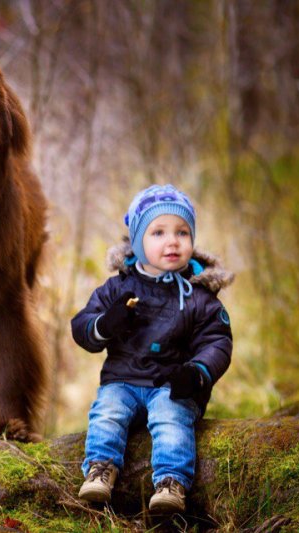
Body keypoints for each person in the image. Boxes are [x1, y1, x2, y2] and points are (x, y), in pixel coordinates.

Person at [70, 184, 234, 513]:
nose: (173, 241)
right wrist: (106, 323)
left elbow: (217, 340)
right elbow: (82, 326)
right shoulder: (118, 287)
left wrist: (197, 372)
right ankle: (100, 470)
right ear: (138, 242)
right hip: (123, 380)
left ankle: (171, 482)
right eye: (158, 232)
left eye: (182, 232)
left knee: (172, 418)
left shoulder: (200, 296)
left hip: (171, 383)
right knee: (107, 412)